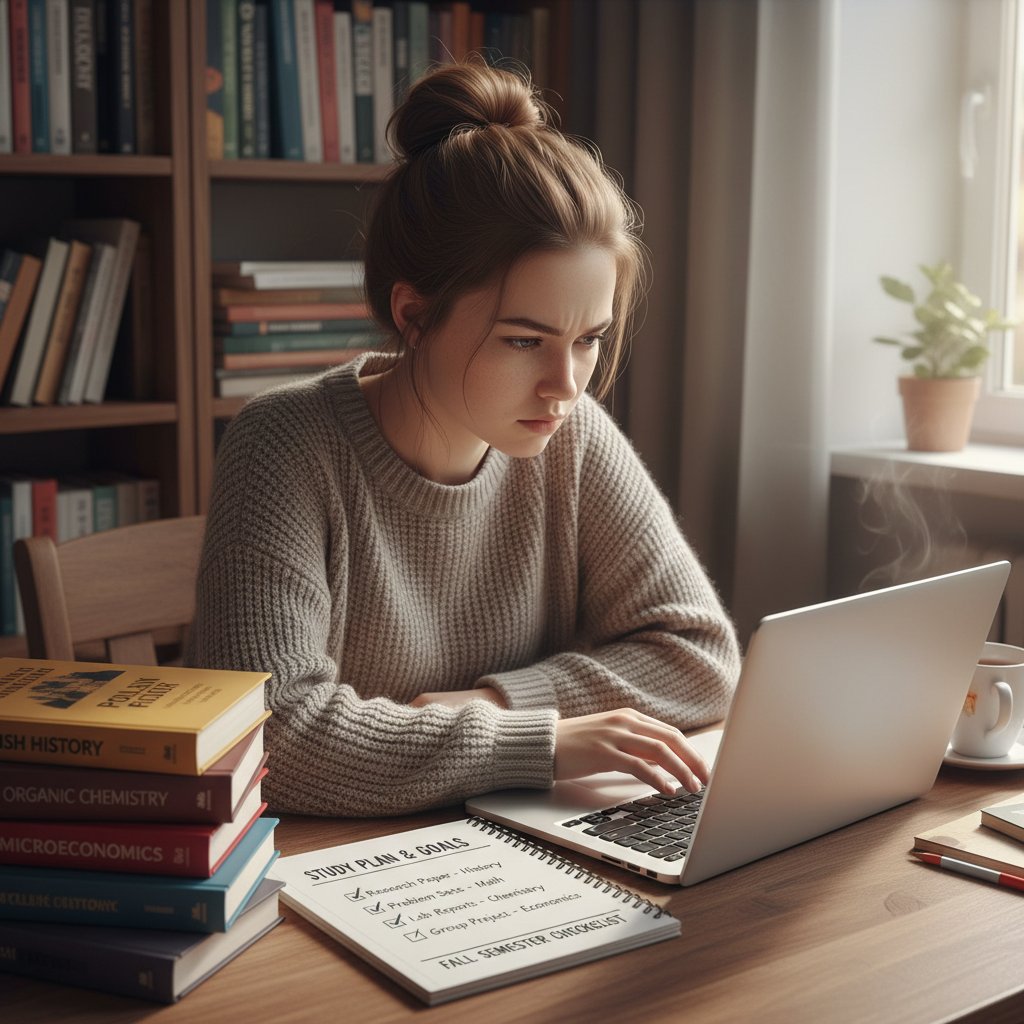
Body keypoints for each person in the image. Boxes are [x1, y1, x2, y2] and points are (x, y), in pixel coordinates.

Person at [186, 60, 741, 818]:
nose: (565, 384)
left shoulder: (569, 437)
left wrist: (492, 702)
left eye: (588, 340)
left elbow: (703, 658)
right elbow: (271, 736)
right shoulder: (284, 446)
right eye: (523, 341)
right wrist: (537, 743)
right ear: (414, 314)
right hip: (318, 876)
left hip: (501, 845)